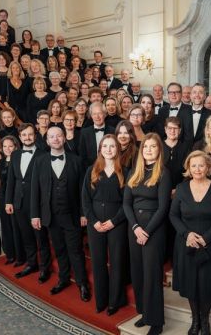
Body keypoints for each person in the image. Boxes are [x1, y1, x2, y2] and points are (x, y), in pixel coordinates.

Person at [170, 151, 211, 335]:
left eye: (201, 165)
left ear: (208, 167)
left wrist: (207, 237)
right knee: (191, 285)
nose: (197, 169)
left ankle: (205, 321)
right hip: (186, 245)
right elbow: (173, 215)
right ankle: (195, 320)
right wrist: (186, 234)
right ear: (188, 168)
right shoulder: (180, 188)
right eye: (193, 165)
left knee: (206, 285)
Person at [31, 127, 90, 301]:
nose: (55, 139)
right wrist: (35, 215)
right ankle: (63, 279)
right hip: (50, 215)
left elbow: (82, 191)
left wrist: (83, 213)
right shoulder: (39, 161)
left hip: (72, 216)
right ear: (47, 141)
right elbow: (35, 190)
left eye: (58, 135)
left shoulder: (77, 161)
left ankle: (82, 284)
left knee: (76, 251)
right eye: (51, 136)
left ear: (64, 138)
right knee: (60, 250)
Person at [123, 133, 172, 335]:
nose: (149, 150)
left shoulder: (164, 173)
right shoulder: (134, 171)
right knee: (138, 273)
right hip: (134, 228)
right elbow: (126, 203)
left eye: (153, 147)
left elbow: (163, 208)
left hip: (154, 229)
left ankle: (156, 321)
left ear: (159, 150)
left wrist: (147, 231)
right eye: (146, 147)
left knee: (152, 274)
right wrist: (136, 228)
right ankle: (144, 313)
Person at [82, 134, 129, 315]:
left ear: (117, 149)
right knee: (98, 262)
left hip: (116, 222)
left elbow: (127, 202)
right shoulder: (91, 171)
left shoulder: (125, 171)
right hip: (95, 223)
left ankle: (114, 301)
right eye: (105, 146)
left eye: (112, 146)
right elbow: (85, 200)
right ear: (100, 149)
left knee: (117, 262)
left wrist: (114, 221)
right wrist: (93, 221)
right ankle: (101, 300)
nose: (109, 150)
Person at [5, 123, 52, 282]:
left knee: (41, 238)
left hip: (37, 204)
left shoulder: (43, 154)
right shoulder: (15, 154)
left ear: (35, 135)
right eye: (24, 135)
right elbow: (11, 179)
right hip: (18, 202)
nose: (27, 137)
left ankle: (45, 268)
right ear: (20, 137)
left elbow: (46, 184)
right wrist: (8, 201)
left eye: (30, 134)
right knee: (26, 236)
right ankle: (32, 263)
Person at [0, 135, 24, 266]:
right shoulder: (1, 161)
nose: (7, 149)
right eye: (5, 146)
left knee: (16, 227)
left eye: (10, 146)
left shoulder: (19, 160)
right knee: (6, 226)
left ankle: (20, 256)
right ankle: (10, 254)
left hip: (16, 198)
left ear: (16, 146)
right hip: (4, 197)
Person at [78, 102, 115, 168]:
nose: (97, 117)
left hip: (110, 168)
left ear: (104, 114)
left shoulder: (113, 131)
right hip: (90, 169)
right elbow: (82, 155)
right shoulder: (84, 132)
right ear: (91, 116)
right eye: (94, 114)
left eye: (100, 113)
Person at [162, 117, 190, 188]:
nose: (172, 131)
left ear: (180, 130)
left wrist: (179, 188)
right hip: (160, 187)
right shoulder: (158, 146)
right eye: (170, 128)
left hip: (180, 188)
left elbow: (188, 171)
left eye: (175, 128)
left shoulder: (186, 148)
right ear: (165, 129)